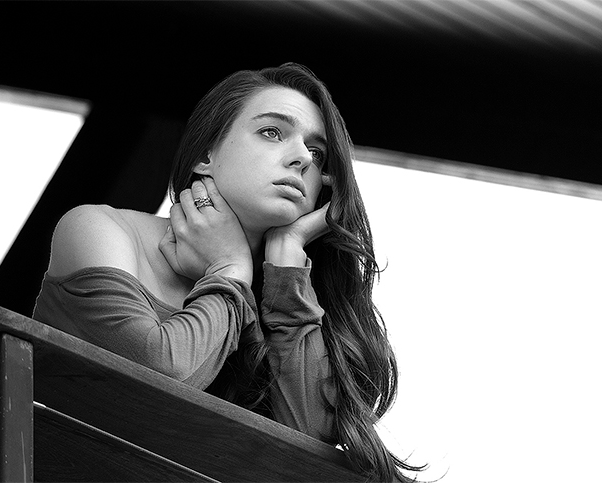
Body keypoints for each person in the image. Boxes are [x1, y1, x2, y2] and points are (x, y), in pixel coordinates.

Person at [33, 63, 423, 482]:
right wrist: (230, 269)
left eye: (317, 153)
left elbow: (304, 438)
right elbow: (158, 379)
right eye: (272, 132)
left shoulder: (283, 285)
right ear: (206, 154)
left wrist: (287, 262)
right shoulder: (100, 228)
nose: (300, 159)